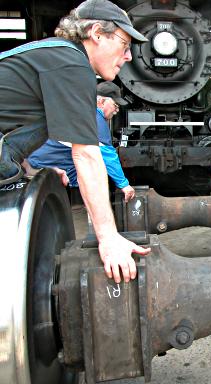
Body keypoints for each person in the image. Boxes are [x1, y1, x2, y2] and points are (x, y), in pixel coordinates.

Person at [0, 0, 150, 284]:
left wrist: (29, 171)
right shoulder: (72, 64)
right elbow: (87, 156)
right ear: (96, 33)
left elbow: (12, 124)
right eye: (124, 44)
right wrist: (108, 239)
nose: (128, 56)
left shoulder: (58, 59)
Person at [25, 82, 135, 203]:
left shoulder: (79, 110)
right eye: (115, 105)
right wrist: (124, 185)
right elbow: (108, 156)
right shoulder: (94, 120)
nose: (116, 110)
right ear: (101, 101)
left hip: (39, 164)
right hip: (43, 169)